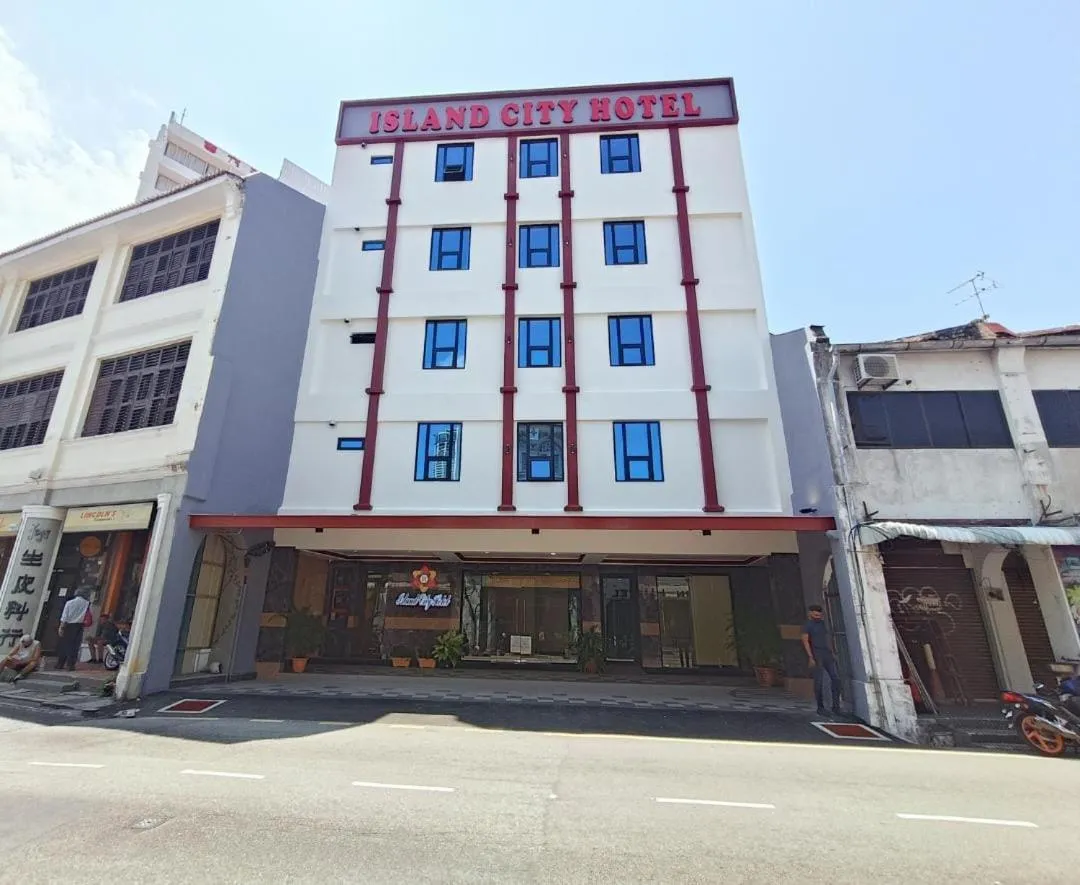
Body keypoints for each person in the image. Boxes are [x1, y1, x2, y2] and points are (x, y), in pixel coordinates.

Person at [801, 604, 842, 718]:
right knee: (819, 681)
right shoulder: (807, 625)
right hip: (816, 654)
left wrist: (832, 652)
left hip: (827, 654)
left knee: (836, 679)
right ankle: (820, 707)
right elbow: (805, 641)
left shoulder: (823, 624)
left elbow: (827, 638)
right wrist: (810, 657)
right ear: (810, 613)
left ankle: (836, 707)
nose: (817, 616)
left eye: (819, 614)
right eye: (815, 614)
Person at [56, 589, 92, 672]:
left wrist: (61, 627)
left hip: (69, 625)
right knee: (75, 646)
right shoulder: (87, 603)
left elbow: (64, 616)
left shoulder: (69, 603)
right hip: (79, 626)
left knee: (65, 645)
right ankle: (71, 664)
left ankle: (60, 663)